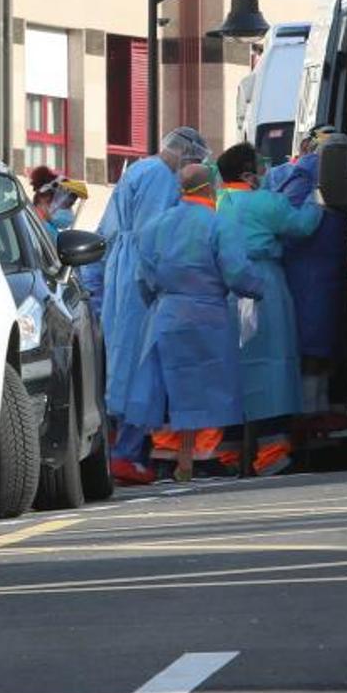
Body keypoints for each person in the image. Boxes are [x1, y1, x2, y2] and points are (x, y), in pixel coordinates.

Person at [82, 126, 210, 484]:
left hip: (119, 276)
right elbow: (156, 234)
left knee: (120, 362)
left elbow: (105, 232)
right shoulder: (160, 178)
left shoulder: (138, 169)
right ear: (185, 155)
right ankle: (126, 453)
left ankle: (115, 448)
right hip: (140, 281)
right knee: (143, 367)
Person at [124, 164, 265, 482]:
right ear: (210, 188)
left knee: (168, 386)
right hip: (208, 315)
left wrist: (162, 303)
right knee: (209, 386)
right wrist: (258, 289)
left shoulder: (155, 226)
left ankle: (166, 454)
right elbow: (237, 272)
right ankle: (203, 457)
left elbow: (142, 279)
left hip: (167, 316)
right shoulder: (219, 224)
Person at [214, 142, 323, 475]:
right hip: (265, 285)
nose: (266, 172)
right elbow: (303, 225)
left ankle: (229, 455)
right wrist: (318, 197)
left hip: (224, 293)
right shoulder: (265, 202)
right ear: (248, 173)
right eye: (261, 167)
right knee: (271, 368)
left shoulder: (217, 203)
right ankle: (271, 452)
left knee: (232, 372)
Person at [264, 126, 347, 414]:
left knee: (318, 334)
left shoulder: (299, 171)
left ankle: (314, 402)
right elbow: (291, 220)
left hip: (317, 262)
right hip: (314, 264)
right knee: (316, 335)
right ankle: (312, 404)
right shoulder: (310, 170)